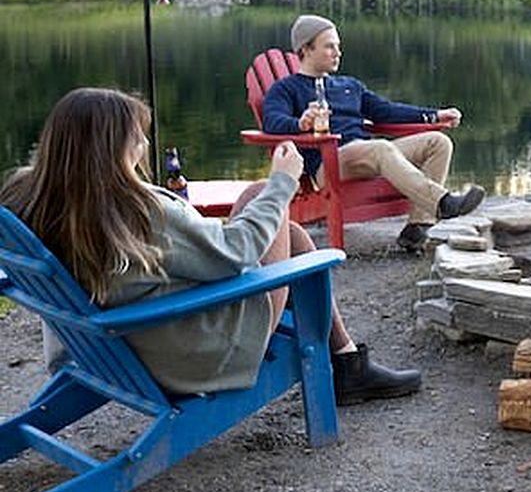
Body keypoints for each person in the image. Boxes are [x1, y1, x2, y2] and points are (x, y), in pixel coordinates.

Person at [0, 87, 421, 404]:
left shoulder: (36, 201)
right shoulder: (136, 212)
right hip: (195, 351)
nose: (145, 146)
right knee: (264, 196)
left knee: (288, 232)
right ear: (111, 149)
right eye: (137, 138)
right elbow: (236, 255)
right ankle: (347, 366)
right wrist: (283, 183)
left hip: (111, 343)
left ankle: (346, 360)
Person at [263, 14, 484, 252]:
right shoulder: (286, 88)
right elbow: (272, 122)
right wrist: (300, 124)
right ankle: (442, 203)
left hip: (367, 154)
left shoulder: (349, 85)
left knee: (438, 142)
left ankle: (418, 226)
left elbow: (386, 111)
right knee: (380, 148)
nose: (338, 52)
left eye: (338, 46)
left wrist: (434, 115)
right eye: (329, 47)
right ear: (306, 49)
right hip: (329, 164)